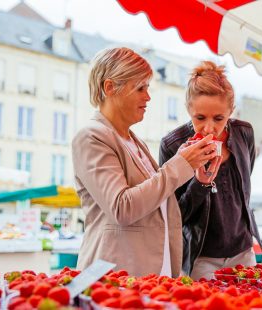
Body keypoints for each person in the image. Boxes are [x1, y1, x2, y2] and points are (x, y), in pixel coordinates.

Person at [72, 47, 218, 277]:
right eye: (140, 88)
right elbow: (122, 207)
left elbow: (154, 199)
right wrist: (180, 164)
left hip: (150, 276)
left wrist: (189, 165)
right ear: (110, 87)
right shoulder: (92, 137)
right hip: (117, 279)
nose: (148, 97)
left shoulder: (133, 140)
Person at [159, 61, 262, 280]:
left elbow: (244, 185)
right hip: (202, 256)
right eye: (200, 118)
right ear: (189, 110)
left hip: (243, 251)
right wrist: (201, 183)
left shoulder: (244, 133)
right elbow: (175, 214)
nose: (209, 128)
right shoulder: (172, 144)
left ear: (230, 112)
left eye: (219, 119)